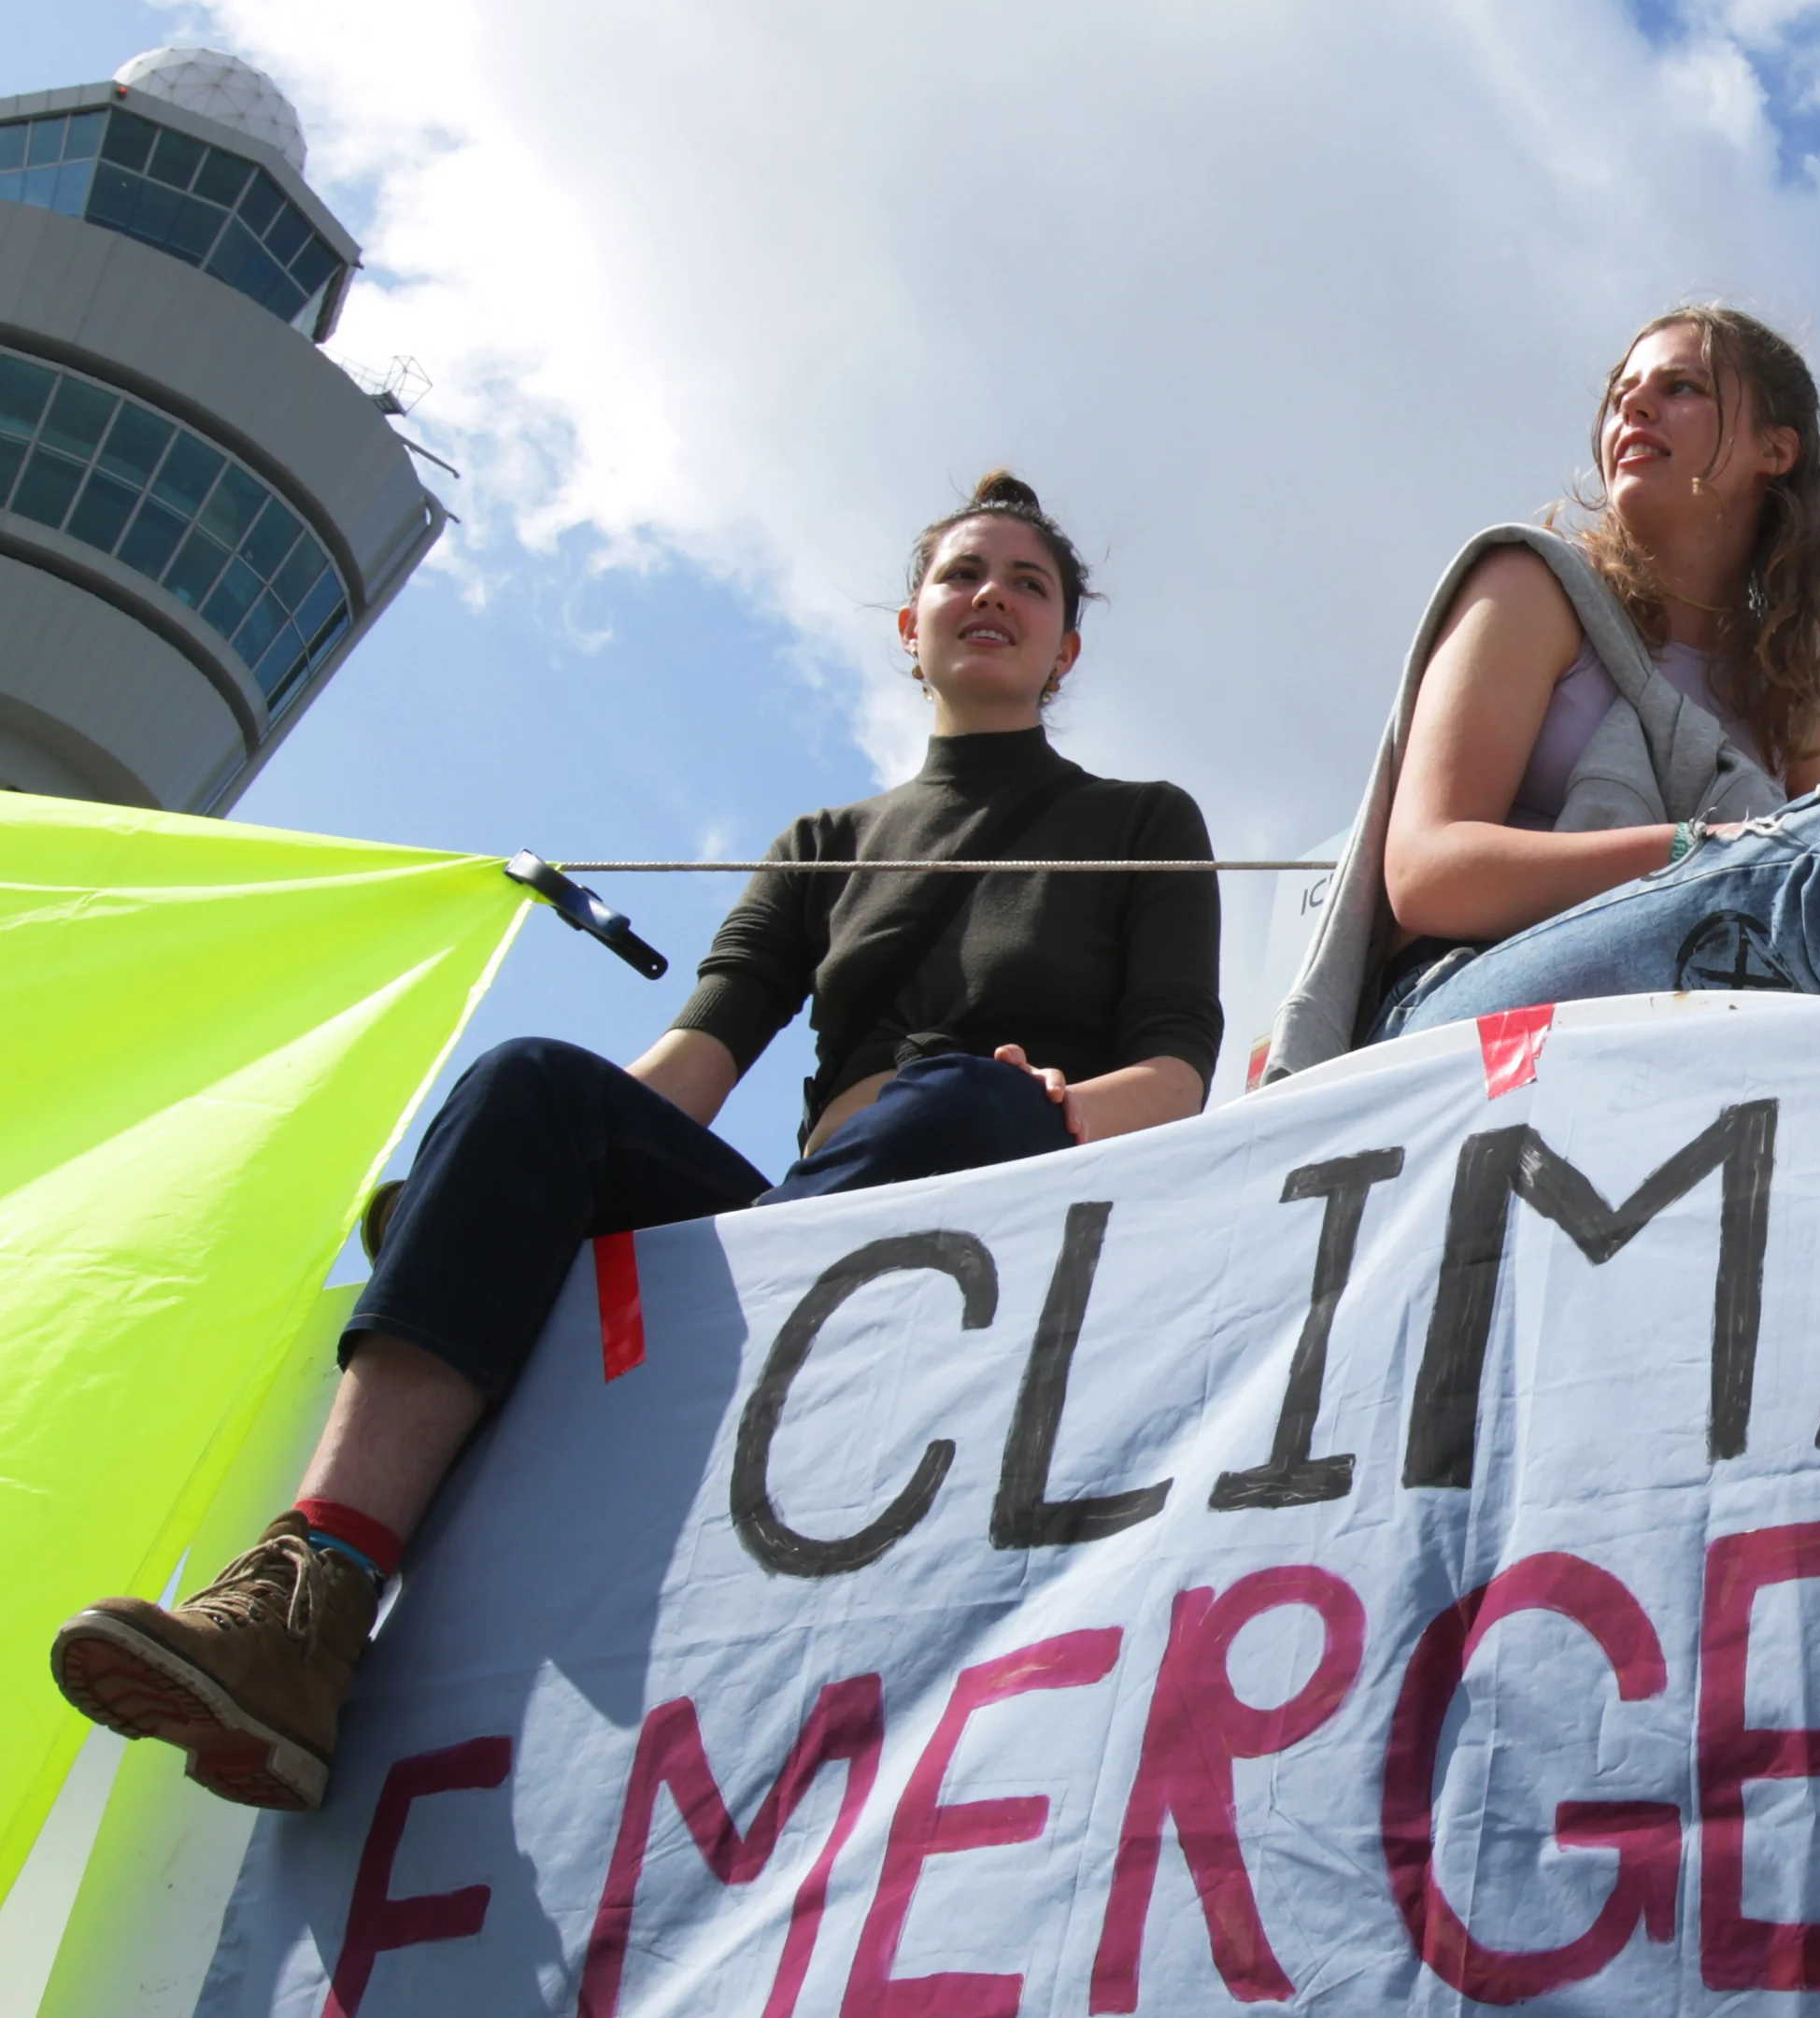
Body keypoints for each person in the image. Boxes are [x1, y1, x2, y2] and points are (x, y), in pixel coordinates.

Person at [50, 471, 1221, 1812]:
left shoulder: (1144, 821)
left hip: (1002, 1182)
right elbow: (693, 1065)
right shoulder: (823, 844)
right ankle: (307, 1603)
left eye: (1029, 583)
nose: (992, 597)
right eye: (964, 574)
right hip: (794, 1211)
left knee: (962, 1095)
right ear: (911, 625)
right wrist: (488, 1167)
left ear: (1067, 646)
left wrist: (1057, 1103)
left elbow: (1179, 1070)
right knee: (528, 1084)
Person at [1258, 306, 1820, 1082]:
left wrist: (1759, 858)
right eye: (1624, 395)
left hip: (1714, 1028)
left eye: (1681, 388)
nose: (1636, 409)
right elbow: (1428, 877)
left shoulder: (1816, 719)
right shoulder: (1532, 590)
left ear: (1775, 450)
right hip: (1462, 1011)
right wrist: (1704, 849)